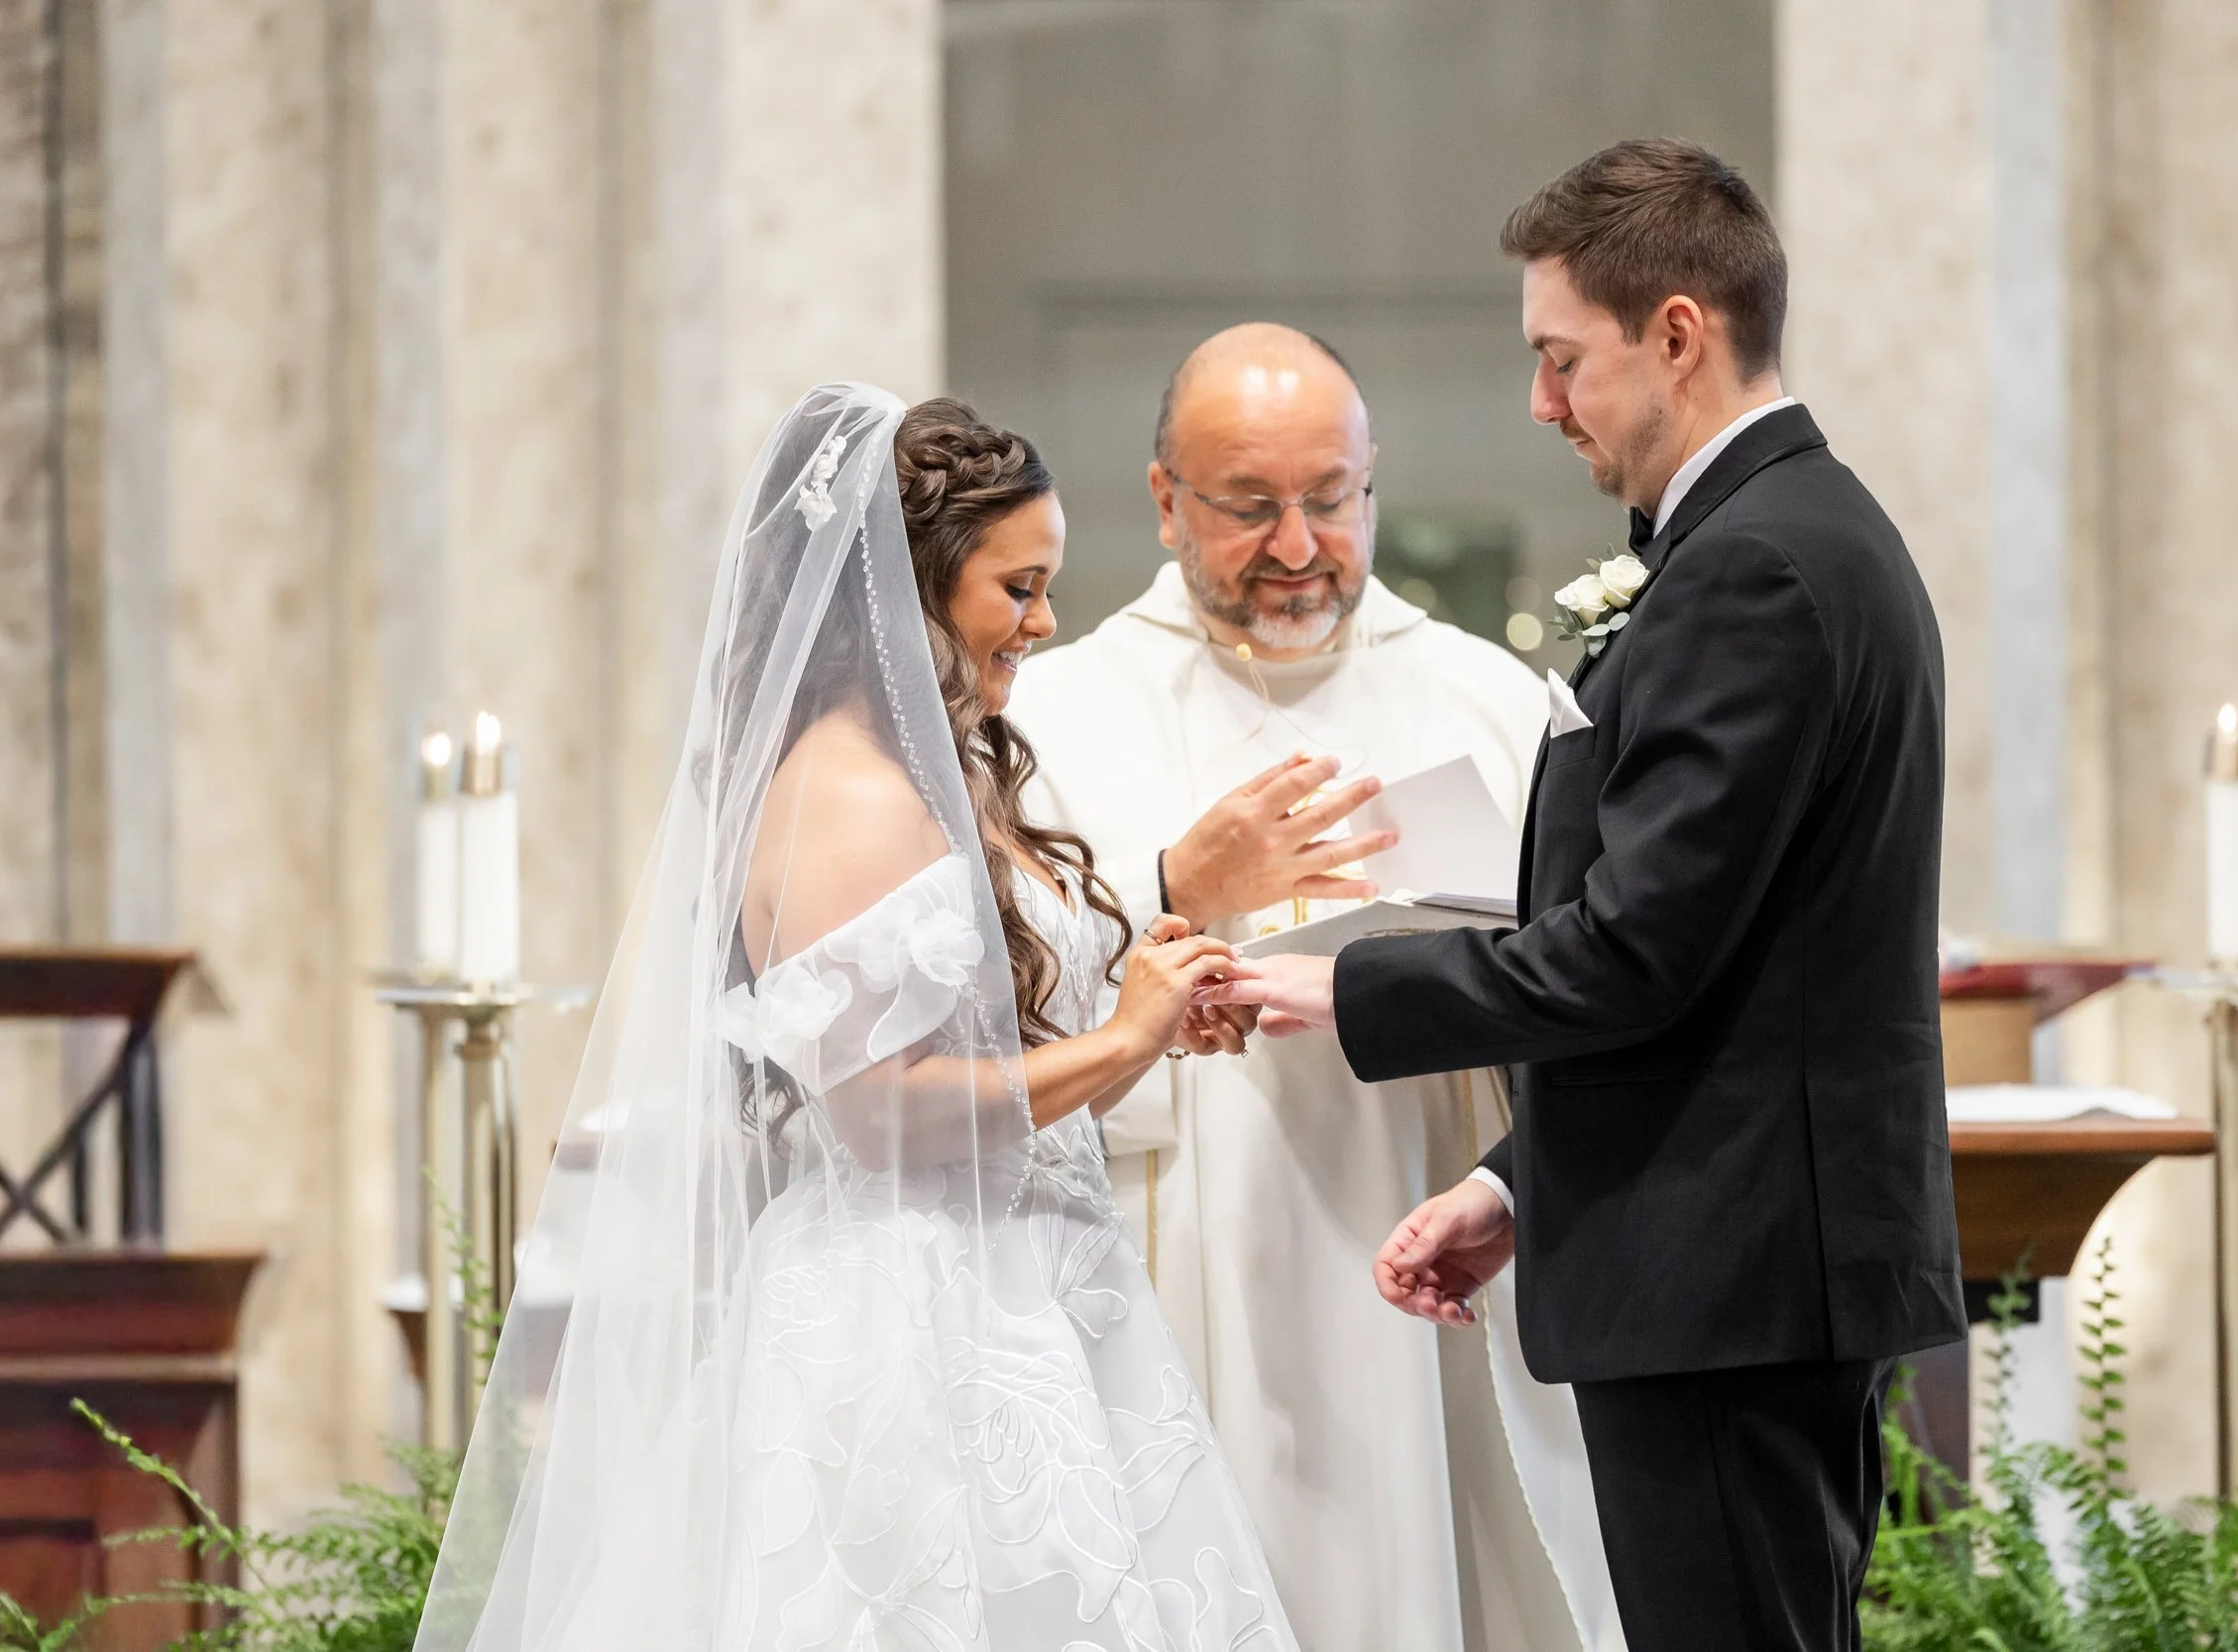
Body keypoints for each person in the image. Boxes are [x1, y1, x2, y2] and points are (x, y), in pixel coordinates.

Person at [1209, 141, 1969, 1650]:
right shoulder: (1793, 535)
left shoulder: (1754, 568)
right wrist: (1517, 1182)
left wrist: (1339, 982)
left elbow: (1636, 950)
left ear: (1676, 332)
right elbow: (1736, 975)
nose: (1541, 403)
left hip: (1732, 1288)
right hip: (1743, 1265)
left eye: (1560, 358)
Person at [413, 385, 1300, 1652]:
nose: (1043, 621)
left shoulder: (938, 764)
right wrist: (1122, 1040)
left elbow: (985, 1057)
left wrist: (1138, 996)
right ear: (911, 588)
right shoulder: (847, 788)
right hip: (914, 1319)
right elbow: (882, 1106)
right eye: (1017, 586)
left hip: (1026, 1284)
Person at [1010, 324, 1623, 1652]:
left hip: (1424, 1233)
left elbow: (1594, 975)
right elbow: (982, 992)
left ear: (1371, 482)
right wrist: (1176, 879)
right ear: (1168, 500)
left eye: (1330, 499)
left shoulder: (1488, 701)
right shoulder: (1057, 716)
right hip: (1173, 1247)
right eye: (1249, 506)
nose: (1298, 545)